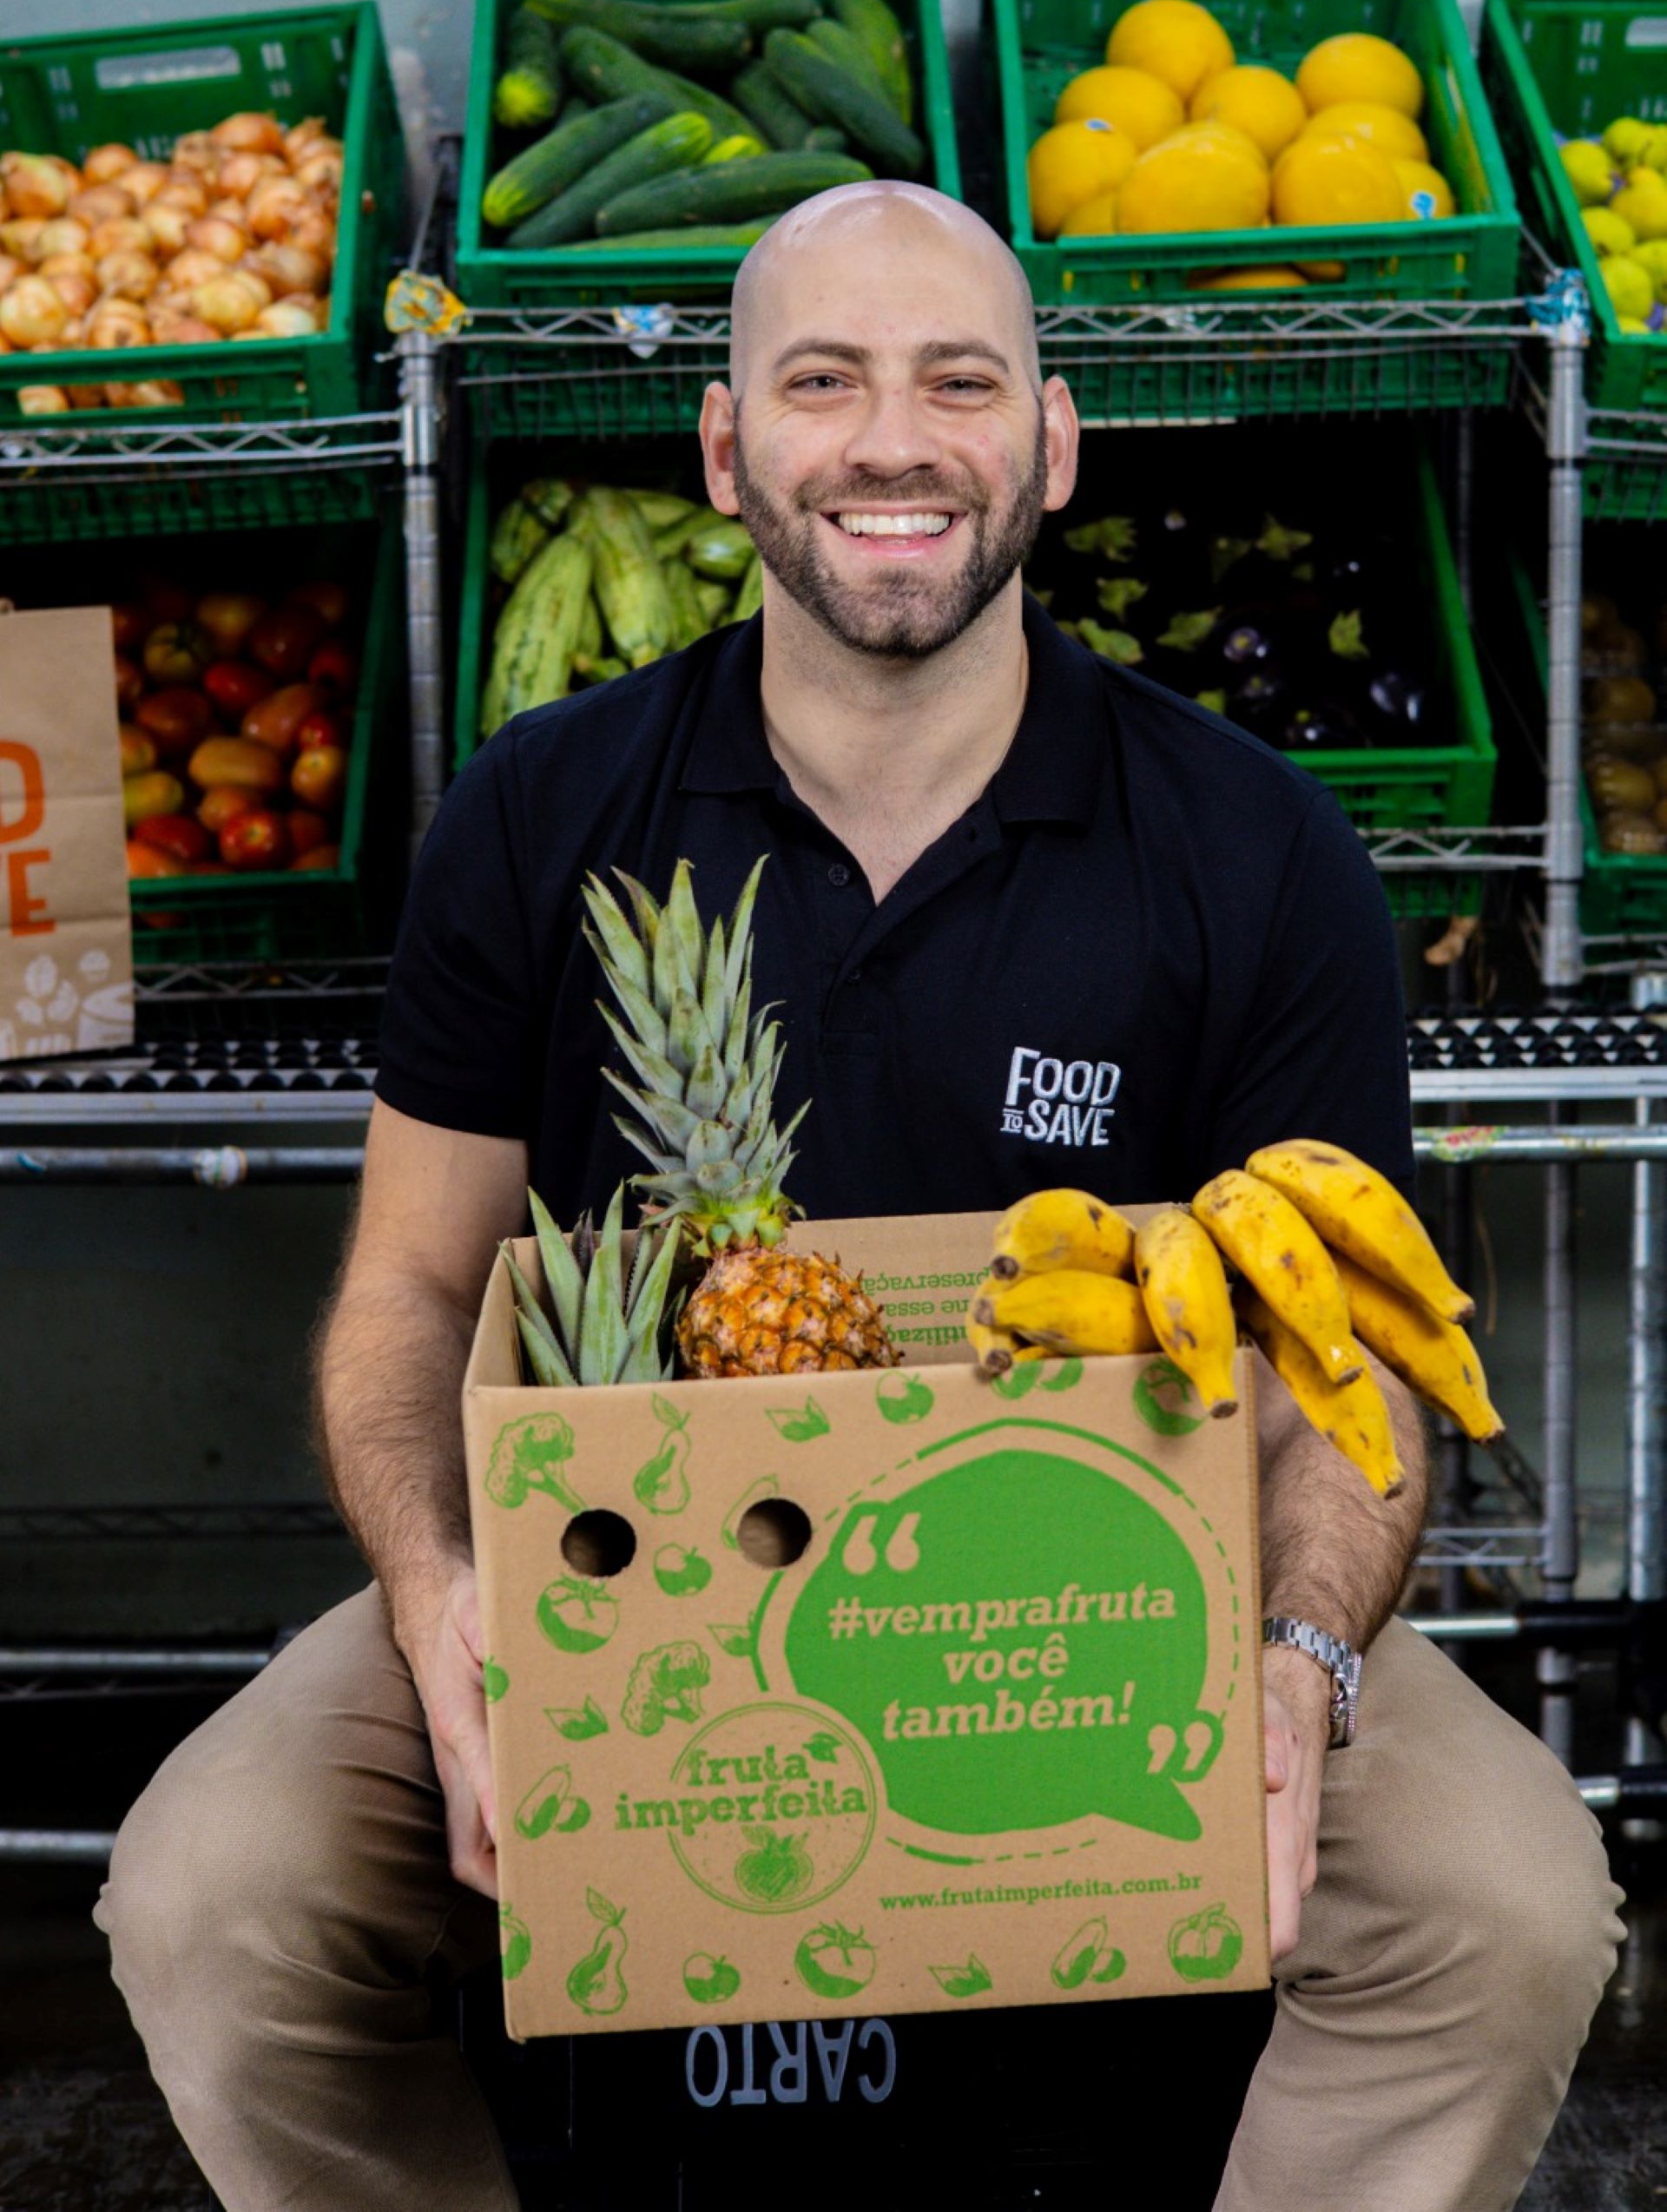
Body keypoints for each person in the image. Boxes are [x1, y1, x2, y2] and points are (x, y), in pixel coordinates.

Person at [97, 185, 1623, 2212]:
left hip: (1127, 1593)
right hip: (623, 1580)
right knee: (212, 1891)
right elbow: (408, 1285)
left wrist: (1301, 1667)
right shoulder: (539, 816)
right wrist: (441, 1599)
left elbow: (1341, 1372)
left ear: (1054, 447)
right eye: (823, 382)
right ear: (727, 450)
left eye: (959, 381)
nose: (893, 440)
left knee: (1510, 1907)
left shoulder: (1257, 850)